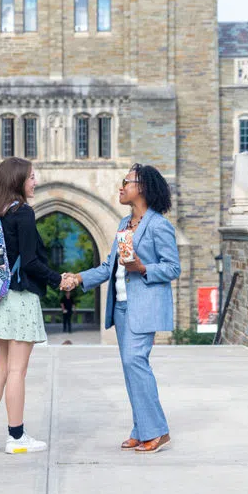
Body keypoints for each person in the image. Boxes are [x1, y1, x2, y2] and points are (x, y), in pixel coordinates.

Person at [66, 163, 181, 454]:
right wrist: (79, 278)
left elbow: (172, 267)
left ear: (142, 188)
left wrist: (143, 268)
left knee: (136, 365)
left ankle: (157, 431)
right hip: (121, 308)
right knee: (131, 370)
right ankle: (140, 429)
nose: (121, 187)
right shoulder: (123, 225)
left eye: (126, 182)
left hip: (144, 307)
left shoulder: (158, 225)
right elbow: (108, 267)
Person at [0, 157, 75, 454]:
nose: (36, 180)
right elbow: (30, 261)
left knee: (1, 368)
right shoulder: (24, 213)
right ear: (18, 180)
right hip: (20, 297)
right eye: (31, 176)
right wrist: (59, 280)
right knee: (17, 371)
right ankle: (16, 437)